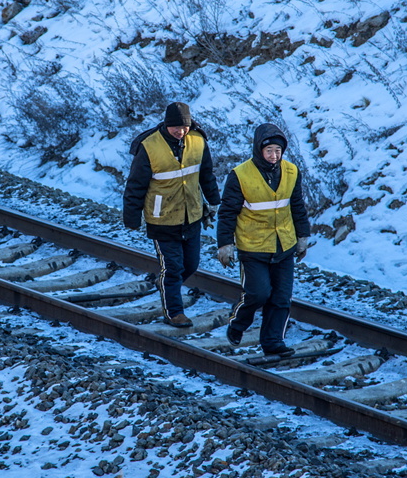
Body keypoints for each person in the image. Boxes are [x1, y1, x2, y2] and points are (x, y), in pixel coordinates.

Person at [216, 122, 311, 357]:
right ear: (259, 149)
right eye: (269, 151)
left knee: (281, 298)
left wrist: (303, 236)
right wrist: (225, 244)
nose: (274, 155)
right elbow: (228, 212)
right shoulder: (240, 175)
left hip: (284, 245)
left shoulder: (291, 171)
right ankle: (237, 323)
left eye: (278, 151)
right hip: (253, 246)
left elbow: (297, 206)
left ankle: (273, 343)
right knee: (258, 294)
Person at [123, 102, 221, 328]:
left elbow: (206, 173)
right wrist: (132, 217)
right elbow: (135, 185)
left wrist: (214, 200)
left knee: (191, 264)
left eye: (184, 126)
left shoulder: (198, 141)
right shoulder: (149, 146)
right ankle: (174, 312)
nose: (180, 131)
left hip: (192, 215)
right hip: (162, 219)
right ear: (166, 124)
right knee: (173, 268)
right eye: (175, 127)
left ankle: (168, 285)